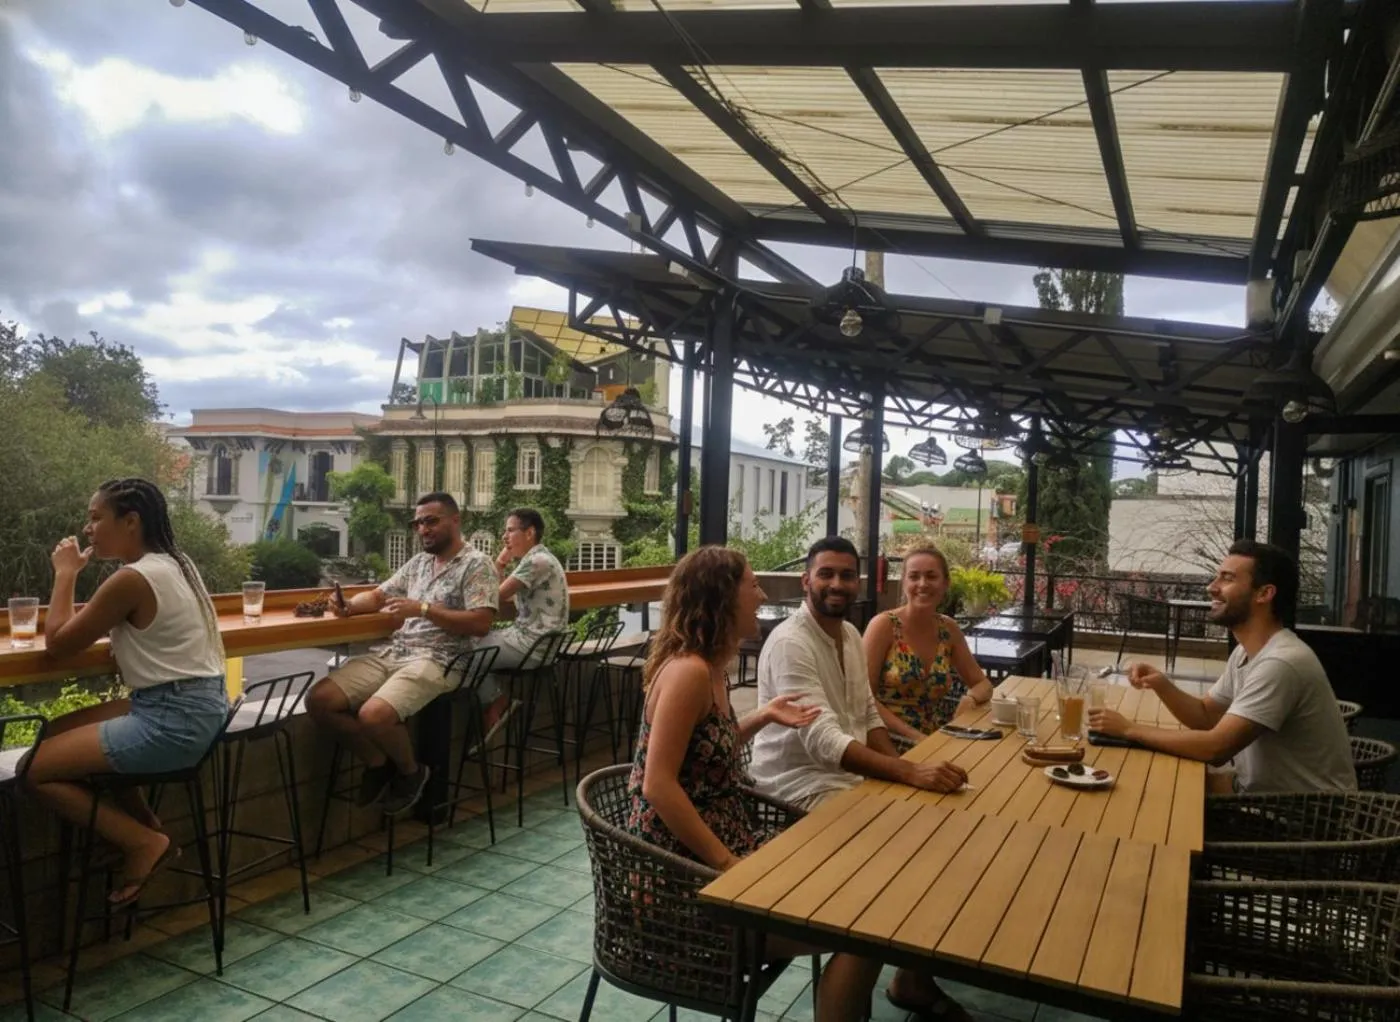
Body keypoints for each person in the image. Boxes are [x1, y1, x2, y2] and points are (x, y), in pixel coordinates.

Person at [626, 545, 893, 1022]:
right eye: (752, 585)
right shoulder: (688, 673)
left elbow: (703, 750)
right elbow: (658, 785)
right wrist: (728, 864)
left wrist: (763, 715)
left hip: (722, 863)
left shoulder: (709, 670)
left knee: (861, 897)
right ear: (722, 598)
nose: (762, 594)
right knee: (865, 928)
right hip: (688, 890)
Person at [749, 536, 972, 1020]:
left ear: (859, 582)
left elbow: (866, 716)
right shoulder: (791, 643)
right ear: (806, 580)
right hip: (795, 790)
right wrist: (909, 770)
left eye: (846, 575)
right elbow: (824, 742)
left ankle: (911, 978)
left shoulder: (848, 635)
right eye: (825, 573)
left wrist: (905, 781)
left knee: (944, 834)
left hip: (843, 783)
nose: (836, 583)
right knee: (889, 881)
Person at [26, 478, 230, 907]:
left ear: (131, 521)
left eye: (96, 518)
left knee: (34, 770)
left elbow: (59, 644)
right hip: (195, 706)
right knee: (51, 734)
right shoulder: (177, 563)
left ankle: (140, 843)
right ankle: (153, 834)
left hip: (172, 720)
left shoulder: (133, 579)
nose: (88, 528)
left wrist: (65, 576)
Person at [1089, 539, 1356, 793]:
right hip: (1259, 793)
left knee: (1151, 797)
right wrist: (1161, 683)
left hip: (1300, 822)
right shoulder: (1246, 653)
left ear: (1265, 593)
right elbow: (1206, 716)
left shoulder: (1281, 663)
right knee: (1151, 785)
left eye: (1227, 578)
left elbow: (1215, 749)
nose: (1212, 587)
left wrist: (1129, 730)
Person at [307, 491, 498, 815]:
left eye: (431, 521)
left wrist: (423, 609)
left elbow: (481, 623)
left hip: (441, 658)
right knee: (319, 700)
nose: (423, 529)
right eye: (418, 523)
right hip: (396, 651)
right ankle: (378, 762)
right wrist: (349, 607)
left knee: (373, 715)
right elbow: (380, 596)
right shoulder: (419, 563)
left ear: (455, 520)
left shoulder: (477, 564)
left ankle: (411, 772)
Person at [862, 545, 993, 739]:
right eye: (914, 576)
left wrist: (970, 698)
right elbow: (864, 699)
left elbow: (983, 684)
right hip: (887, 741)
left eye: (931, 576)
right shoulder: (884, 626)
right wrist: (915, 737)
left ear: (945, 583)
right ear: (904, 582)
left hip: (937, 738)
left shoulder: (948, 629)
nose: (922, 584)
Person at [478, 508, 569, 733]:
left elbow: (494, 596)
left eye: (510, 530)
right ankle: (494, 702)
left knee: (466, 650)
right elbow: (502, 594)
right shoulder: (540, 558)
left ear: (529, 533)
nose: (504, 536)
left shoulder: (536, 561)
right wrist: (500, 563)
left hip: (532, 645)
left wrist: (498, 565)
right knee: (472, 646)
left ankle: (497, 702)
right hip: (541, 645)